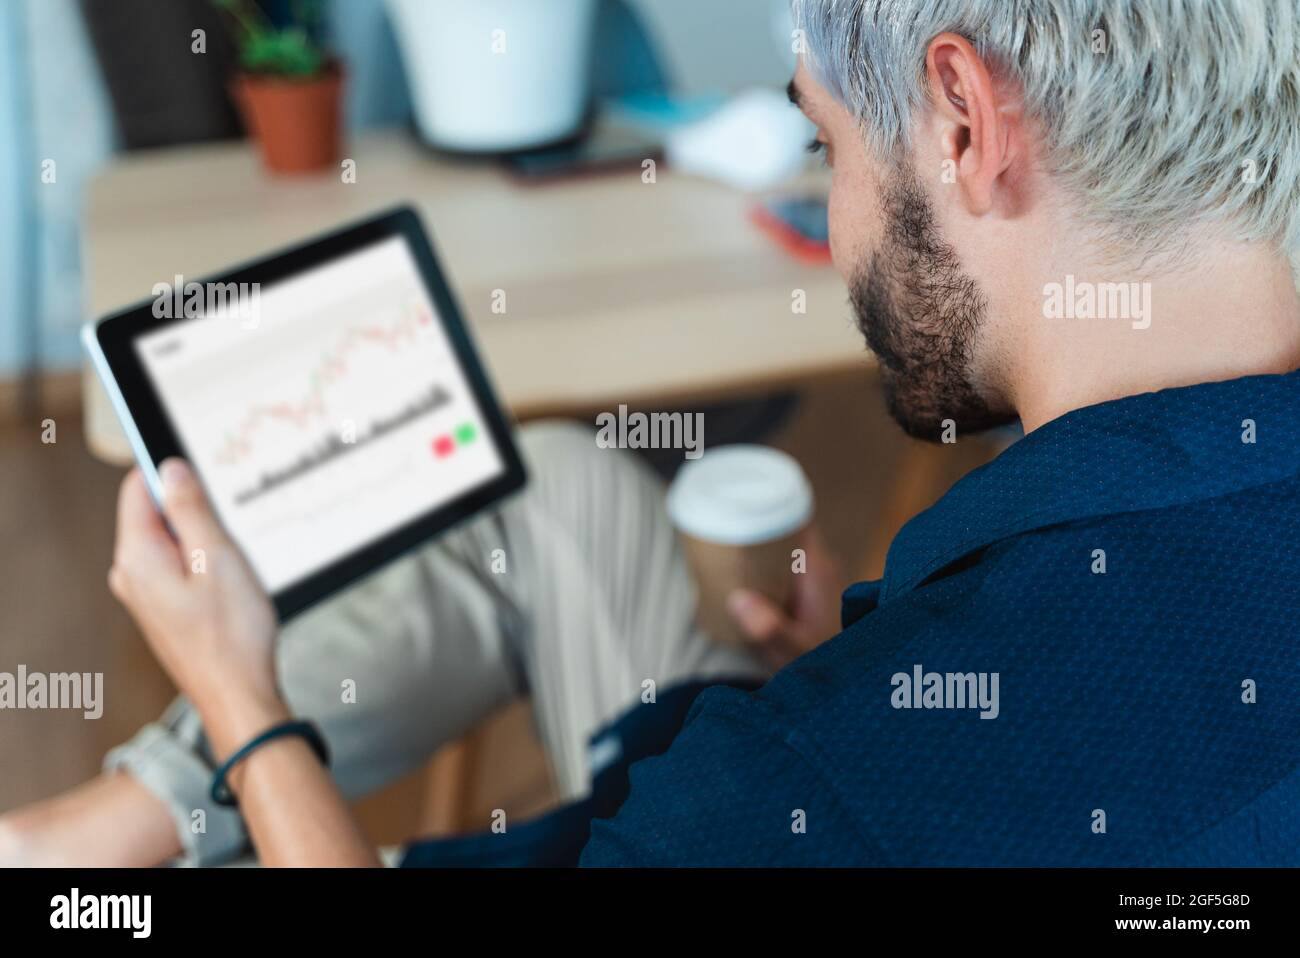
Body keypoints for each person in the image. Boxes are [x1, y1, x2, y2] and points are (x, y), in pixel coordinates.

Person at [5, 0, 1300, 866]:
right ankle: (119, 814)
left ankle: (140, 813)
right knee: (562, 476)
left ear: (963, 118)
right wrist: (861, 667)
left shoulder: (822, 774)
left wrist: (239, 701)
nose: (841, 229)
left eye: (824, 141)